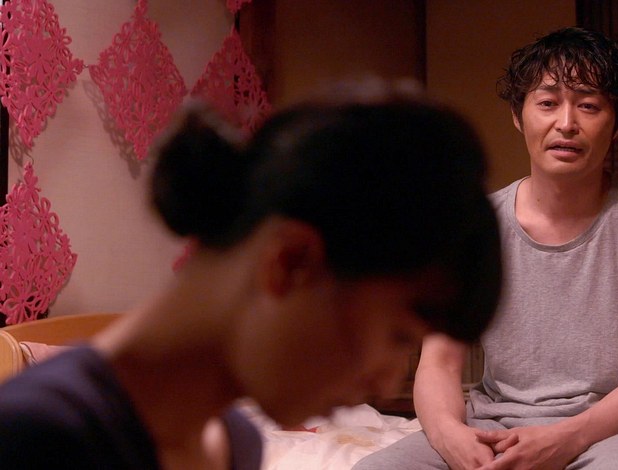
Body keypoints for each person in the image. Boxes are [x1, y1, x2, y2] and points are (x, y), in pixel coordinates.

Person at [0, 80, 502, 469]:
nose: (385, 380)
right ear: (290, 263)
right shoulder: (38, 435)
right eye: (397, 337)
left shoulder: (232, 441)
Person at [353, 27, 618, 470]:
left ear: (617, 123)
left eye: (588, 105)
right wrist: (452, 438)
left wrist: (566, 437)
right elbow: (440, 364)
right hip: (492, 422)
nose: (566, 123)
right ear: (518, 115)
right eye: (547, 103)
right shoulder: (473, 226)